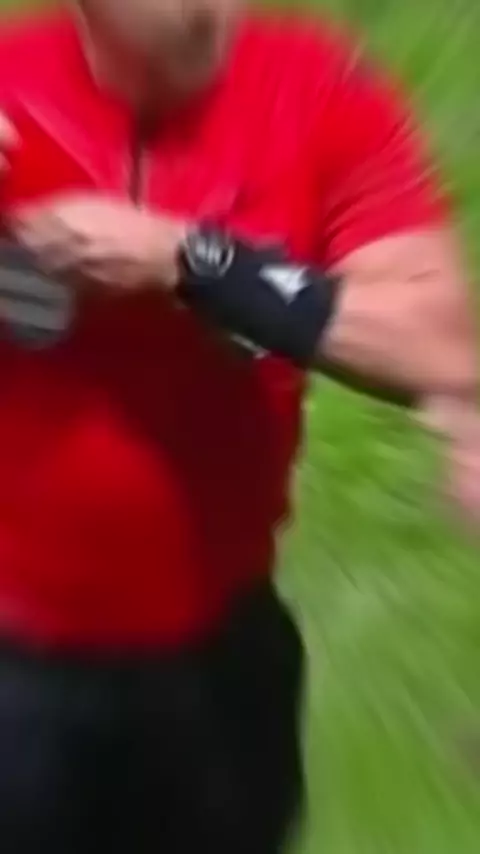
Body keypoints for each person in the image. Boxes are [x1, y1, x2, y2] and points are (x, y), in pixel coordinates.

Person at [0, 0, 478, 851]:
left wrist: (195, 262)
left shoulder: (313, 90)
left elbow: (435, 344)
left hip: (219, 661)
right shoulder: (12, 90)